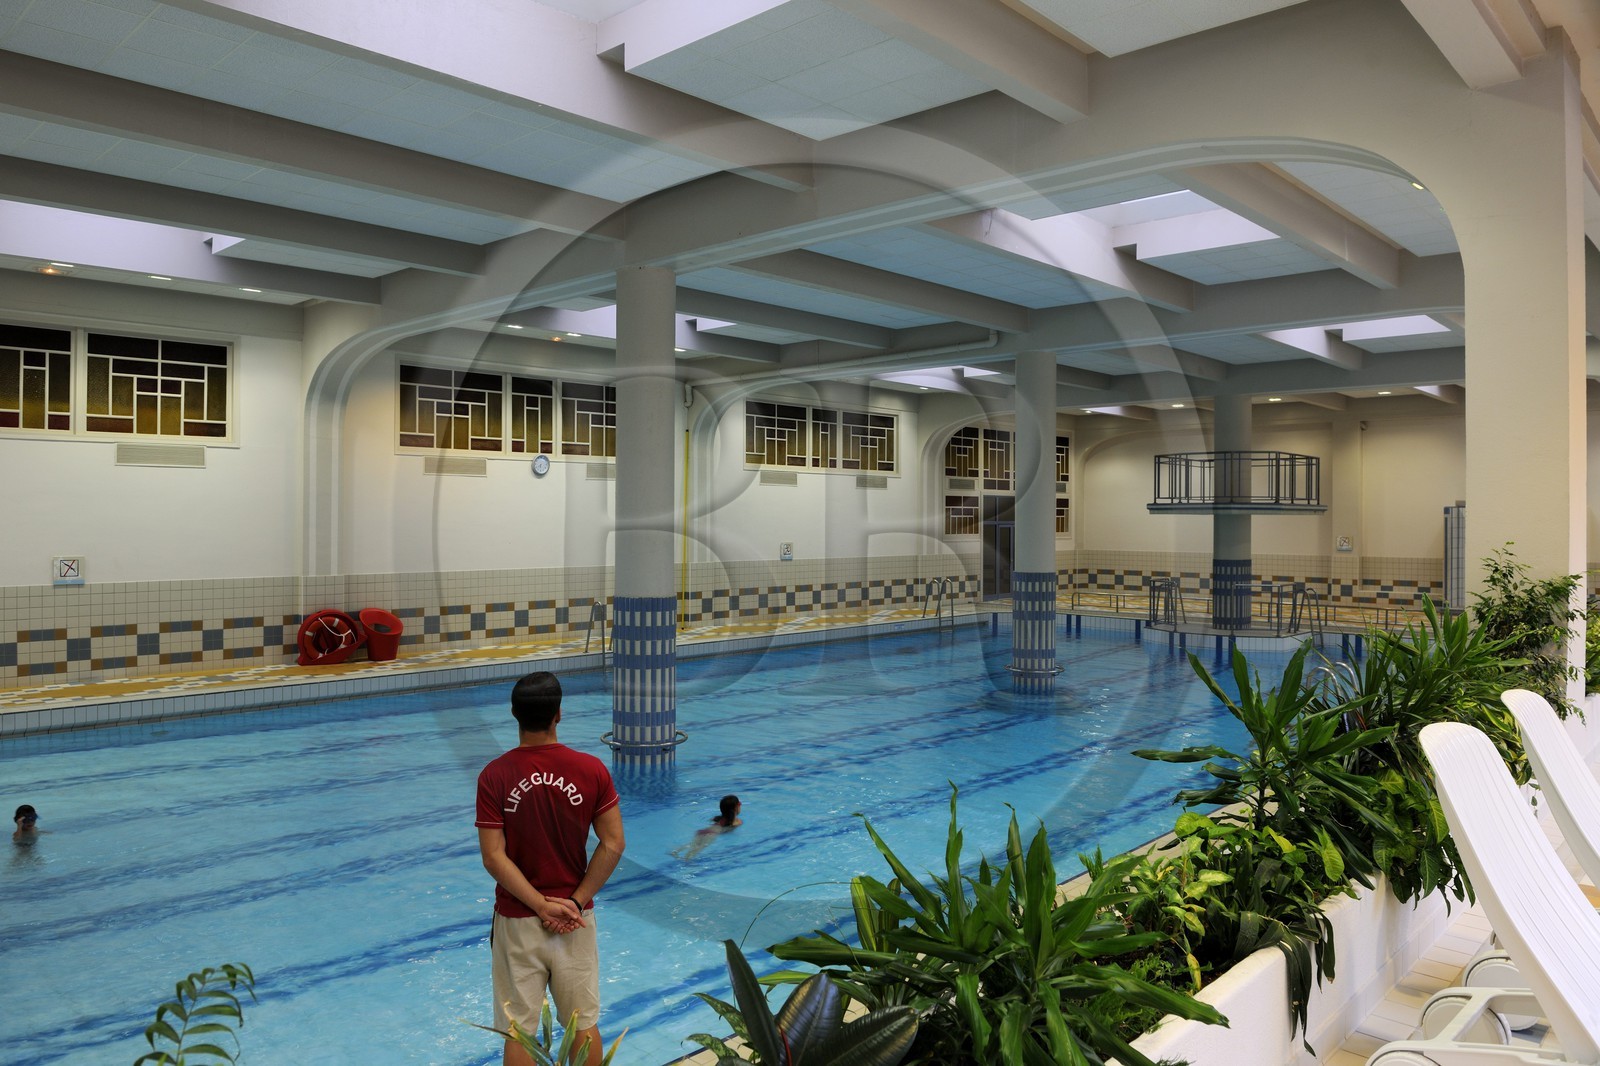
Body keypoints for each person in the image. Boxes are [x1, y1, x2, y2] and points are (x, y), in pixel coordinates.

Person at [476, 672, 624, 1066]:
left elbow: (493, 856)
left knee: (519, 1030)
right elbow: (613, 844)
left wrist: (540, 906)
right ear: (559, 714)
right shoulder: (591, 769)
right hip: (575, 919)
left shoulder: (495, 775)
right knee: (583, 1022)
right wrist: (574, 901)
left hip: (518, 920)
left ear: (514, 714)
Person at [670, 794, 742, 861]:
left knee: (693, 845)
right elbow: (728, 831)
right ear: (736, 807)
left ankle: (675, 851)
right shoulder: (737, 822)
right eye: (740, 804)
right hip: (711, 834)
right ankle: (686, 862)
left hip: (703, 831)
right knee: (696, 851)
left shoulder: (717, 818)